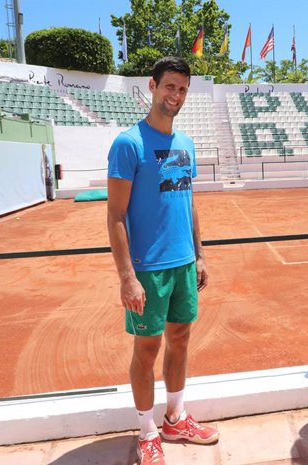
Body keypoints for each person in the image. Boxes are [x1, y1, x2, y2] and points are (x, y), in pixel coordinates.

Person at [107, 57, 218, 465]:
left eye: (183, 89)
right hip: (148, 270)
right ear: (152, 87)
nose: (176, 95)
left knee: (181, 340)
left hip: (184, 264)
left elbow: (188, 204)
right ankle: (147, 431)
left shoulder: (185, 144)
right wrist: (126, 277)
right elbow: (115, 214)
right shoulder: (129, 143)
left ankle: (175, 417)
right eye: (170, 86)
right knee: (147, 348)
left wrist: (200, 256)